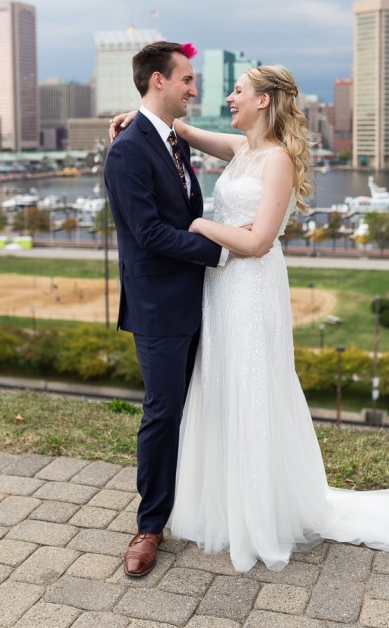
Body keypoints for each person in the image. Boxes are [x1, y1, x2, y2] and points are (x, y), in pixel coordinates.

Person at [110, 63, 389, 573]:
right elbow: (176, 129)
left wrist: (202, 223)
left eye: (238, 90)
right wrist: (137, 117)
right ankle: (219, 502)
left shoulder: (276, 160)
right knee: (219, 390)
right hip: (218, 290)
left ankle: (256, 513)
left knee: (251, 388)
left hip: (249, 289)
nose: (228, 97)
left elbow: (257, 242)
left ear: (264, 101)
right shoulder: (240, 149)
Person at [104, 41, 224, 578]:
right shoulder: (128, 150)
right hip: (159, 307)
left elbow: (183, 208)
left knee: (202, 405)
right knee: (162, 414)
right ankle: (149, 525)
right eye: (187, 79)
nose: (194, 89)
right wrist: (223, 249)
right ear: (159, 80)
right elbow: (148, 233)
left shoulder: (172, 140)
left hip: (201, 299)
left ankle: (203, 501)